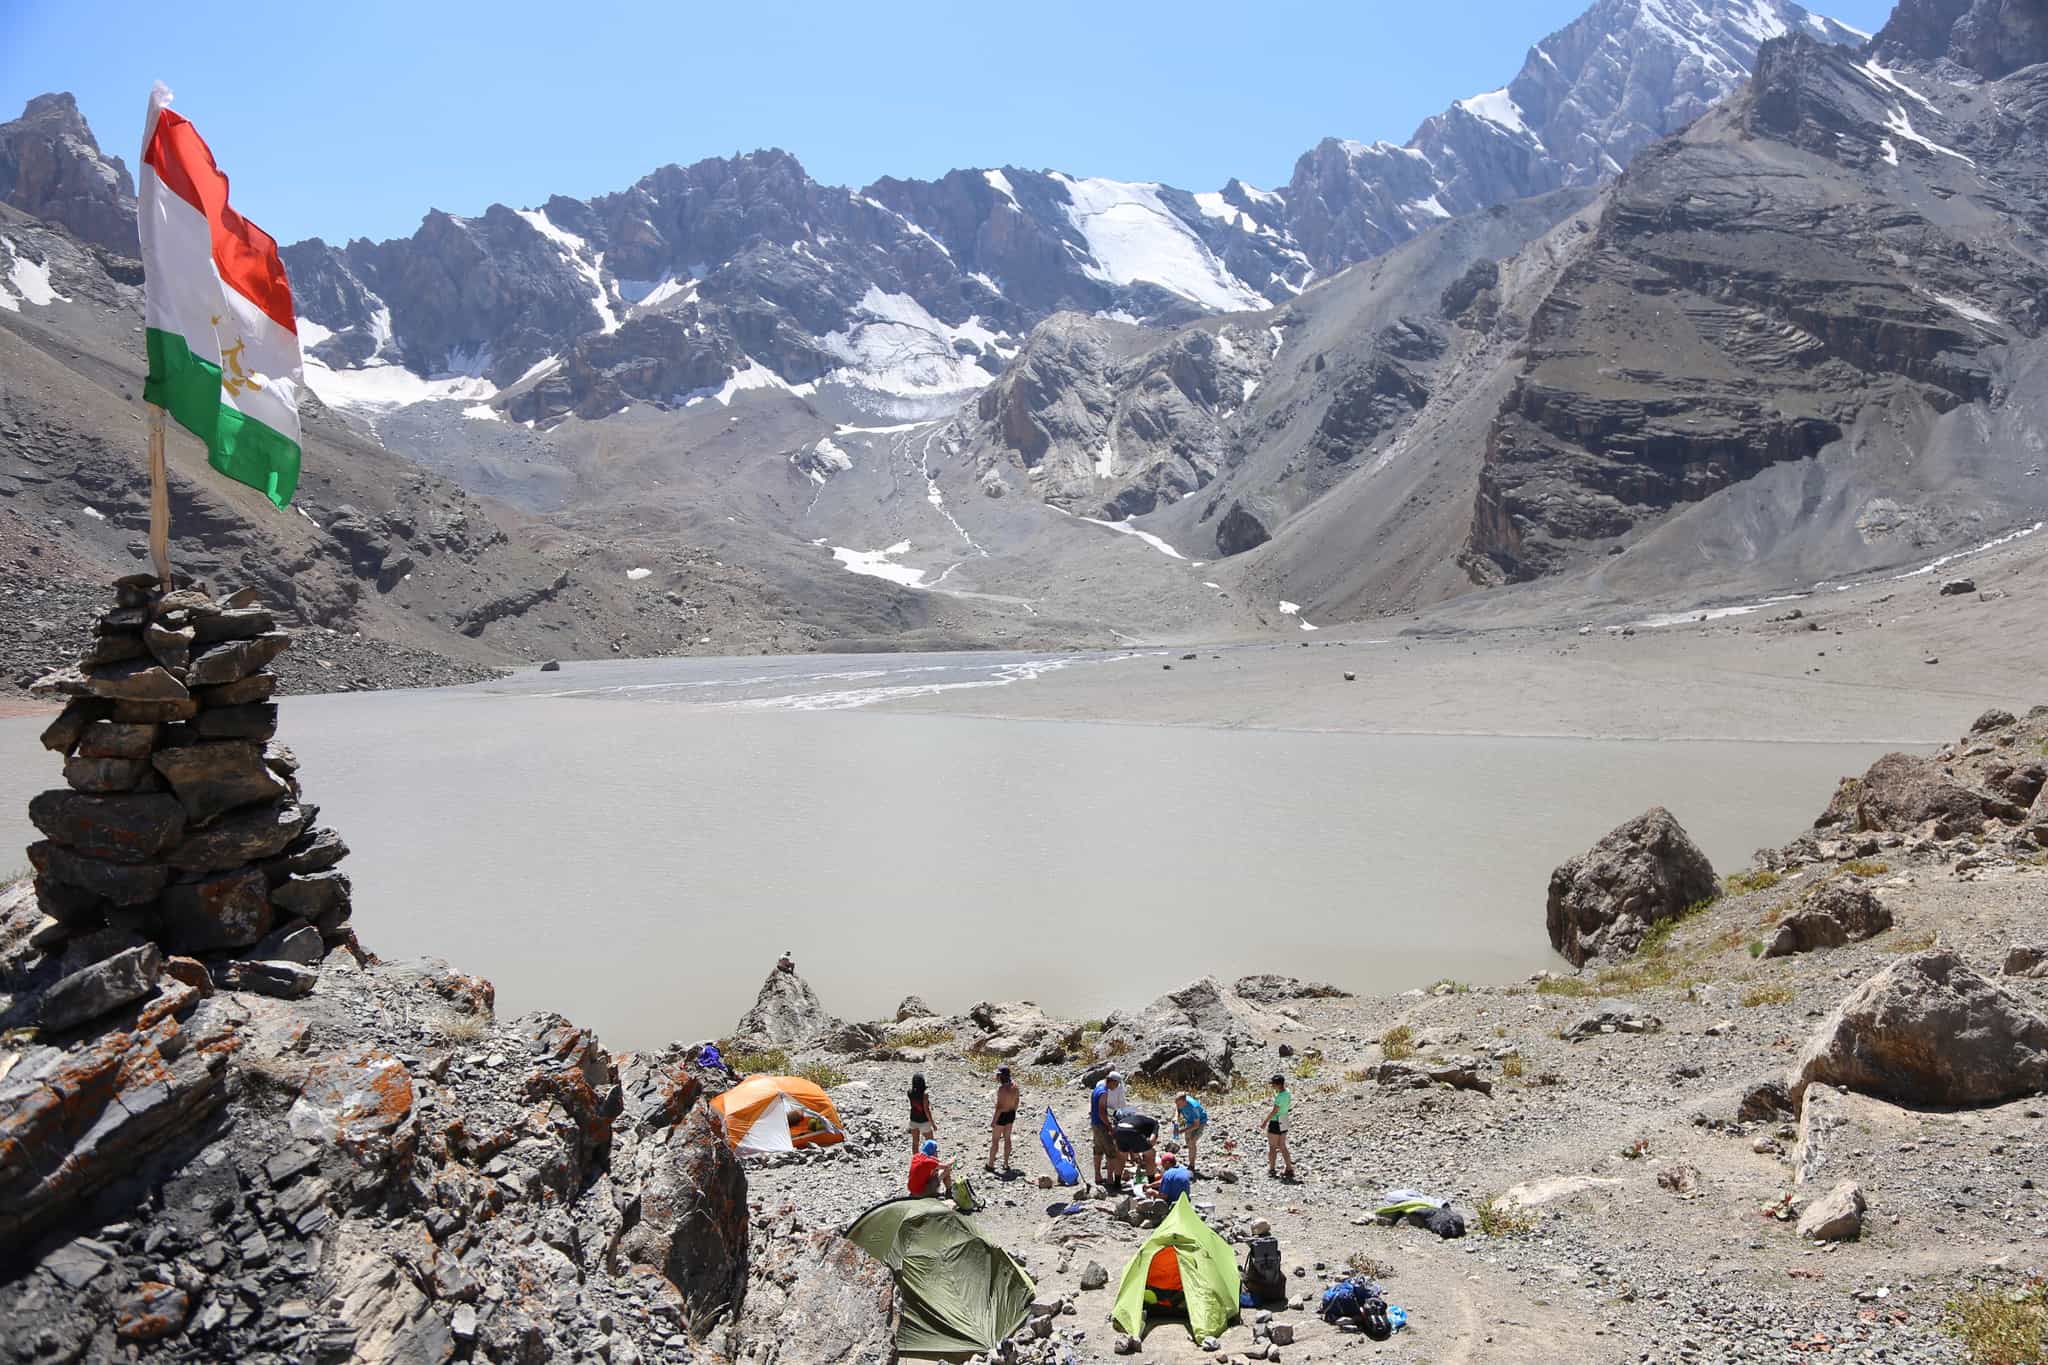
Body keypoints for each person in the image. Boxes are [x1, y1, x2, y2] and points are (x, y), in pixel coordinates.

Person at [1087, 1071, 1126, 1183]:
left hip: (1095, 1124)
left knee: (1098, 1150)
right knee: (1111, 1152)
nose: (1117, 1086)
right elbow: (1102, 1112)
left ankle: (1097, 1176)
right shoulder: (1104, 1093)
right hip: (1102, 1125)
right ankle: (1110, 1178)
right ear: (1112, 1081)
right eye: (1116, 1083)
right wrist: (1109, 1126)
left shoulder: (1097, 1089)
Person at [1112, 1108, 1161, 1186]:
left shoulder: (1137, 1120)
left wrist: (1137, 1152)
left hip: (1118, 1129)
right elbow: (1152, 1140)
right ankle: (1152, 1183)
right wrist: (1145, 1154)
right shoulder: (1155, 1124)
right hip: (1132, 1130)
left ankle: (1117, 1183)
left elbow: (1131, 1143)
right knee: (1151, 1155)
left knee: (1121, 1157)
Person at [987, 1065, 1021, 1174]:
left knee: (995, 1140)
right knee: (1007, 1138)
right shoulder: (1015, 1086)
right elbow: (1017, 1102)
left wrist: (994, 1121)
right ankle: (1006, 1163)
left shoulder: (1002, 1089)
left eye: (998, 1075)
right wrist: (1013, 1111)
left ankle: (990, 1164)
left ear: (1002, 1076)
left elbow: (999, 1107)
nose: (997, 1077)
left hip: (1001, 1116)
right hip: (1011, 1114)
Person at [1265, 1073, 1296, 1181]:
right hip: (1284, 1119)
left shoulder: (1279, 1097)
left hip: (1276, 1122)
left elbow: (1274, 1111)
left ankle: (1272, 1169)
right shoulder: (1287, 1092)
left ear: (1278, 1085)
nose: (1272, 1086)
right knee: (1282, 1146)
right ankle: (1289, 1168)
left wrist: (1265, 1121)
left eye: (1273, 1084)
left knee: (1272, 1147)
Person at [1172, 1091, 1208, 1176]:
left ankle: (1192, 1165)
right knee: (1188, 1143)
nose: (1178, 1105)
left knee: (1192, 1142)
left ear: (1184, 1101)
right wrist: (1176, 1117)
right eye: (1177, 1103)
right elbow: (1178, 1109)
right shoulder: (1180, 1102)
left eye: (1180, 1104)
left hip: (1199, 1122)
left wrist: (1182, 1131)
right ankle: (1190, 1162)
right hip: (1189, 1121)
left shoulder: (1193, 1107)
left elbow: (1196, 1125)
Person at [907, 1072, 938, 1151]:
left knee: (915, 1142)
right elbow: (926, 1110)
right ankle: (932, 1161)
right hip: (924, 1122)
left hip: (913, 1120)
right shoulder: (925, 1094)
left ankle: (915, 1161)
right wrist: (933, 1124)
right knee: (930, 1142)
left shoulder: (909, 1092)